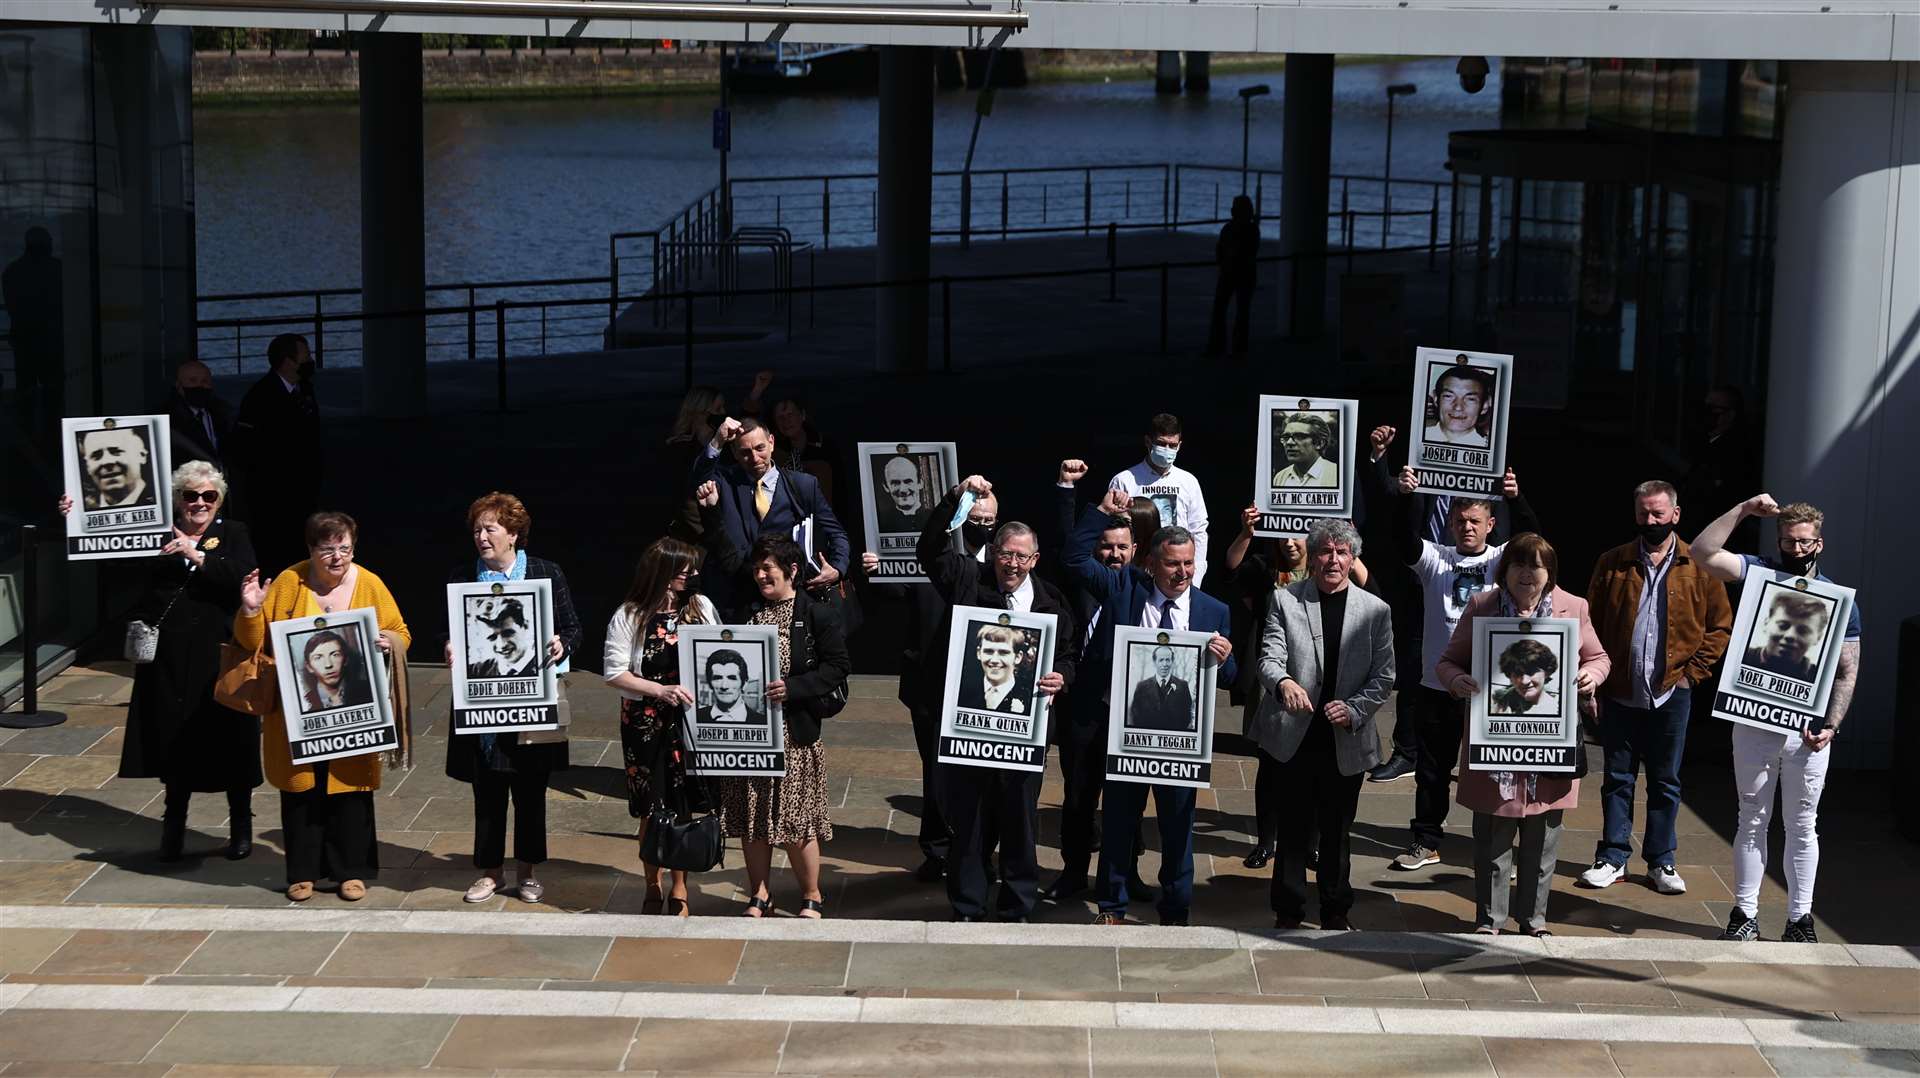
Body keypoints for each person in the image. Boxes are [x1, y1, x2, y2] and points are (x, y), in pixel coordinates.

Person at [59, 463, 260, 862]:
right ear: (178, 500)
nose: (199, 504)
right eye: (190, 495)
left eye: (208, 496)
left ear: (218, 500)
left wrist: (196, 555)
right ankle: (173, 827)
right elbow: (111, 560)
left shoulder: (233, 533)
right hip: (168, 655)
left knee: (231, 739)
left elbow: (243, 577)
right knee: (174, 738)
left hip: (219, 653)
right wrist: (77, 517)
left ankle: (241, 826)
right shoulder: (152, 529)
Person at [1692, 494, 1862, 943]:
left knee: (1803, 824)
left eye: (1805, 542)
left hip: (1806, 730)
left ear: (1819, 543)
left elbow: (1847, 671)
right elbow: (1702, 552)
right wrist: (1744, 510)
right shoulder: (1760, 573)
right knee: (1751, 817)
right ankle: (1744, 913)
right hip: (1752, 719)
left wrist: (1831, 723)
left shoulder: (1839, 602)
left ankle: (1800, 918)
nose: (1796, 549)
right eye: (1788, 541)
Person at [1067, 489, 1234, 927]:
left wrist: (1223, 657)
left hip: (1179, 742)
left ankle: (1175, 909)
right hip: (1127, 732)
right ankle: (1112, 906)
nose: (1182, 573)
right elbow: (1074, 560)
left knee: (1178, 830)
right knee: (1120, 822)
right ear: (1152, 563)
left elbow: (1233, 675)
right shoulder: (1124, 589)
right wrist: (1100, 511)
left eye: (1188, 563)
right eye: (1173, 564)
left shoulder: (1213, 610)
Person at [918, 475, 1078, 923]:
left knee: (1020, 822)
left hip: (1024, 733)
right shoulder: (970, 580)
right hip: (970, 729)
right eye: (1005, 554)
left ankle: (1017, 904)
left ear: (1035, 559)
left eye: (1021, 556)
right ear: (994, 552)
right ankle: (968, 904)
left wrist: (1059, 677)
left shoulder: (1050, 602)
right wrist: (954, 499)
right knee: (968, 823)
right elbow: (930, 551)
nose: (1012, 564)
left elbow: (1069, 655)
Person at [1434, 533, 1608, 936]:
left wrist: (1589, 676)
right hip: (1495, 747)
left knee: (1543, 843)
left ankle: (1534, 921)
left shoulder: (1574, 608)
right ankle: (1489, 921)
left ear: (1549, 573)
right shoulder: (1482, 606)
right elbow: (1447, 661)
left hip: (1551, 744)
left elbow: (1599, 657)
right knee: (1493, 842)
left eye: (1536, 566)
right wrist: (1459, 680)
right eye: (1519, 564)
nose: (1527, 573)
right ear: (1505, 570)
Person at [235, 511, 410, 903]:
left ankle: (350, 871)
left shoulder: (369, 583)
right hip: (297, 714)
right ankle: (302, 873)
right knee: (302, 792)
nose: (337, 558)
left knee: (349, 792)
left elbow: (401, 632)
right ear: (311, 550)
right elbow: (251, 642)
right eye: (327, 549)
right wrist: (250, 609)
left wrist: (387, 641)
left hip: (352, 710)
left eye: (344, 549)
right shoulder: (288, 583)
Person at [1381, 451, 1539, 874]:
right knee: (1432, 769)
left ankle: (1495, 843)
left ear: (1491, 525)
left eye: (1476, 521)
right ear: (1451, 524)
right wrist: (1407, 498)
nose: (1467, 528)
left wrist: (1516, 498)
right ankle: (1425, 840)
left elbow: (1531, 542)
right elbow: (1402, 539)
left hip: (1492, 688)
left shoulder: (1500, 562)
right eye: (1461, 521)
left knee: (1495, 771)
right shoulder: (1436, 559)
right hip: (1440, 683)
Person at [1580, 480, 1731, 895]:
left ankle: (1661, 862)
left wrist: (1690, 676)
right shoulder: (1613, 563)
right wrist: (1594, 682)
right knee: (1617, 777)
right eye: (1644, 513)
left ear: (1675, 515)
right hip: (1621, 691)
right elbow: (1587, 625)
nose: (1651, 520)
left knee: (1665, 781)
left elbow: (1720, 627)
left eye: (1658, 513)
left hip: (1671, 692)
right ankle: (1612, 856)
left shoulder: (1700, 566)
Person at [698, 509, 851, 918]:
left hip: (795, 736)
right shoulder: (748, 612)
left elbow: (837, 666)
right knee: (752, 818)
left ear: (792, 570)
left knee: (796, 821)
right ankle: (759, 894)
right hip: (751, 735)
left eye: (768, 569)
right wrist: (714, 514)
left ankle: (812, 895)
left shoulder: (816, 612)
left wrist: (795, 688)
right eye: (757, 570)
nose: (761, 576)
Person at [1253, 519, 1396, 930]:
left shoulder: (1375, 611)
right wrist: (1282, 683)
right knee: (1293, 829)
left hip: (1344, 736)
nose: (1333, 560)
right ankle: (1288, 910)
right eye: (1325, 552)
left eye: (1341, 552)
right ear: (1313, 557)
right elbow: (1268, 659)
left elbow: (1384, 677)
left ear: (1352, 559)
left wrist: (1354, 709)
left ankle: (1336, 911)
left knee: (1336, 831)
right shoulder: (1285, 600)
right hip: (1294, 735)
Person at [857, 479, 1002, 884]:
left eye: (990, 521)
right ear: (960, 520)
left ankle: (979, 852)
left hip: (981, 687)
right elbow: (897, 588)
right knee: (936, 771)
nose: (983, 527)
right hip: (931, 681)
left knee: (983, 775)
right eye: (975, 519)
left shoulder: (1004, 566)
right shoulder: (937, 558)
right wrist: (877, 571)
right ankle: (937, 850)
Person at [1363, 424, 1520, 784]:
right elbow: (1391, 502)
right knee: (1418, 669)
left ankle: (1476, 757)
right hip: (1424, 582)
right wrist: (1380, 459)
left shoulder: (1489, 473)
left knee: (1481, 677)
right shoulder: (1424, 466)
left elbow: (1512, 533)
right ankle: (1408, 752)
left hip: (1478, 590)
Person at [445, 492, 581, 906]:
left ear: (514, 534)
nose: (482, 537)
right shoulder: (462, 578)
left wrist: (561, 644)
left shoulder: (545, 572)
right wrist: (449, 645)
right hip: (483, 703)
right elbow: (446, 631)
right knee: (487, 791)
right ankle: (490, 873)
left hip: (532, 700)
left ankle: (527, 871)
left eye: (490, 529)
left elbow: (573, 626)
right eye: (477, 530)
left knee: (529, 790)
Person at [1226, 505, 1371, 869]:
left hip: (1323, 688)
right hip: (1277, 680)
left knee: (1318, 769)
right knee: (1271, 764)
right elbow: (1233, 569)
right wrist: (1247, 531)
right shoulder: (1266, 570)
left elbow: (1370, 591)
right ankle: (1266, 841)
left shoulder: (1331, 566)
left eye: (1299, 537)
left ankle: (1313, 843)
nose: (1290, 543)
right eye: (1283, 536)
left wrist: (1348, 547)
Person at [1045, 459, 1150, 902]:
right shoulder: (1083, 580)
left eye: (1123, 547)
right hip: (1084, 705)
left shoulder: (1142, 585)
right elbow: (1070, 545)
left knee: (1129, 796)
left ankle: (1129, 871)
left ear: (1135, 549)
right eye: (1106, 546)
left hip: (1128, 708)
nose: (1114, 554)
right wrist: (1078, 497)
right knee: (1079, 794)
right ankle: (1072, 871)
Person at [604, 537, 716, 918]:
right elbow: (614, 672)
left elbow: (718, 650)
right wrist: (658, 690)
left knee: (683, 807)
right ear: (664, 574)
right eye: (686, 571)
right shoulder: (630, 615)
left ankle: (681, 888)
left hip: (688, 721)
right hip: (645, 723)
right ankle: (652, 885)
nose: (693, 576)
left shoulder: (700, 607)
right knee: (651, 809)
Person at [690, 416, 849, 614]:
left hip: (785, 596)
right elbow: (700, 477)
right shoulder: (726, 481)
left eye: (760, 448)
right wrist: (717, 441)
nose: (755, 458)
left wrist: (837, 568)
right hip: (733, 595)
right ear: (734, 453)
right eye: (745, 453)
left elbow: (836, 533)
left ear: (772, 442)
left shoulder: (803, 485)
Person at [232, 333, 322, 576]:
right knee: (276, 555)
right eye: (306, 356)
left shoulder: (304, 389)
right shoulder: (259, 397)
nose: (310, 360)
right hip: (272, 496)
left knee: (302, 550)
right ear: (288, 361)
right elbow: (247, 450)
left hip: (303, 490)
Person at [1108, 413, 1211, 586]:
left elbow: (1199, 531)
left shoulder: (1188, 481)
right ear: (1148, 442)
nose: (1167, 449)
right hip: (1138, 571)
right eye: (1162, 444)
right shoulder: (1124, 480)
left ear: (1180, 445)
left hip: (1177, 570)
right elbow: (1114, 532)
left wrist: (1196, 575)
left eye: (1172, 445)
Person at [1680, 386, 1761, 551]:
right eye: (1706, 406)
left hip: (1719, 533)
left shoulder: (1738, 449)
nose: (1707, 413)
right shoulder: (1704, 440)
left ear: (1731, 414)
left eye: (1714, 409)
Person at [3, 226, 64, 429]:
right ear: (47, 245)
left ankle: (26, 434)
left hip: (24, 341)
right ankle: (52, 433)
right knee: (54, 393)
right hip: (53, 341)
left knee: (25, 390)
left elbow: (13, 307)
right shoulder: (59, 270)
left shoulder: (12, 271)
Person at [1205, 194, 1258, 357]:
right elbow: (1250, 253)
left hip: (1228, 273)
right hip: (1243, 274)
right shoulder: (1252, 230)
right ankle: (1238, 348)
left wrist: (1223, 264)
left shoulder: (1228, 228)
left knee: (1220, 310)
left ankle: (1217, 346)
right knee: (1241, 312)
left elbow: (1220, 250)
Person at [1742, 593, 1828, 681]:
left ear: (1818, 638)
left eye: (1803, 631)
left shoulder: (1821, 679)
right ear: (1766, 623)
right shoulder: (1739, 657)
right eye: (1782, 626)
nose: (1790, 635)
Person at [169, 359, 233, 473]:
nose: (200, 386)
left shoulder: (222, 412)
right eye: (192, 381)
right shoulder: (171, 420)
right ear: (178, 385)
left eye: (205, 381)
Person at [957, 623, 1035, 713]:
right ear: (979, 653)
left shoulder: (1030, 697)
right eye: (988, 651)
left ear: (1018, 657)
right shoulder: (962, 691)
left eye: (1003, 652)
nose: (994, 660)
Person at [78, 426, 153, 509]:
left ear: (142, 455)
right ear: (87, 466)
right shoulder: (80, 509)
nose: (106, 461)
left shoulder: (163, 498)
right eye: (96, 455)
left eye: (116, 451)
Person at [298, 630, 373, 712]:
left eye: (335, 655)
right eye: (318, 658)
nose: (328, 665)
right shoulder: (303, 703)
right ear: (309, 667)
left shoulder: (369, 690)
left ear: (345, 660)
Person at [1421, 366, 1494, 448]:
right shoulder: (1416, 437)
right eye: (1449, 396)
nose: (1458, 407)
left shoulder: (1492, 450)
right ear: (1435, 399)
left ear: (1484, 406)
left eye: (1470, 399)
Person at [467, 598, 538, 680]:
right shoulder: (475, 672)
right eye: (492, 637)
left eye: (507, 633)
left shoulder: (544, 666)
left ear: (525, 626)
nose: (500, 645)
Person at [1127, 646, 1195, 731]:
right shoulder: (1142, 687)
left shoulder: (1183, 686)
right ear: (1154, 662)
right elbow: (1135, 716)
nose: (1164, 664)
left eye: (1168, 660)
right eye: (1161, 660)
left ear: (1172, 662)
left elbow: (1186, 716)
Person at [696, 649, 767, 725]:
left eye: (732, 678)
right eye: (718, 678)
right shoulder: (696, 717)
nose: (724, 686)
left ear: (745, 684)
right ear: (710, 683)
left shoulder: (762, 721)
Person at [1491, 639, 1560, 716]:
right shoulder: (1496, 704)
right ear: (1510, 676)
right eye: (1517, 673)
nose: (1524, 681)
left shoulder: (1558, 709)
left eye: (1531, 672)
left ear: (1546, 673)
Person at [1273, 413, 1338, 488]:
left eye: (1299, 436)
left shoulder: (1338, 475)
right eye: (1286, 437)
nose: (1289, 442)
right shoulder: (1280, 477)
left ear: (1319, 443)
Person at [876, 455, 932, 534]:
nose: (903, 489)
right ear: (886, 487)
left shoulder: (936, 517)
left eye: (908, 481)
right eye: (895, 483)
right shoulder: (881, 522)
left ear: (920, 483)